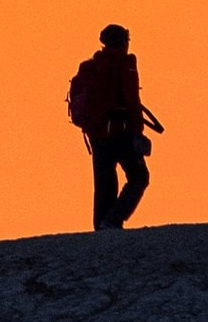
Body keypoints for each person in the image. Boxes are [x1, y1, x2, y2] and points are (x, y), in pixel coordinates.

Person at [67, 25, 163, 228]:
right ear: (122, 42)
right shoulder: (124, 63)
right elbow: (132, 100)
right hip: (121, 132)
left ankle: (101, 227)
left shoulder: (91, 66)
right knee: (139, 177)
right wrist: (138, 132)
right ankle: (112, 221)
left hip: (96, 133)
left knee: (104, 185)